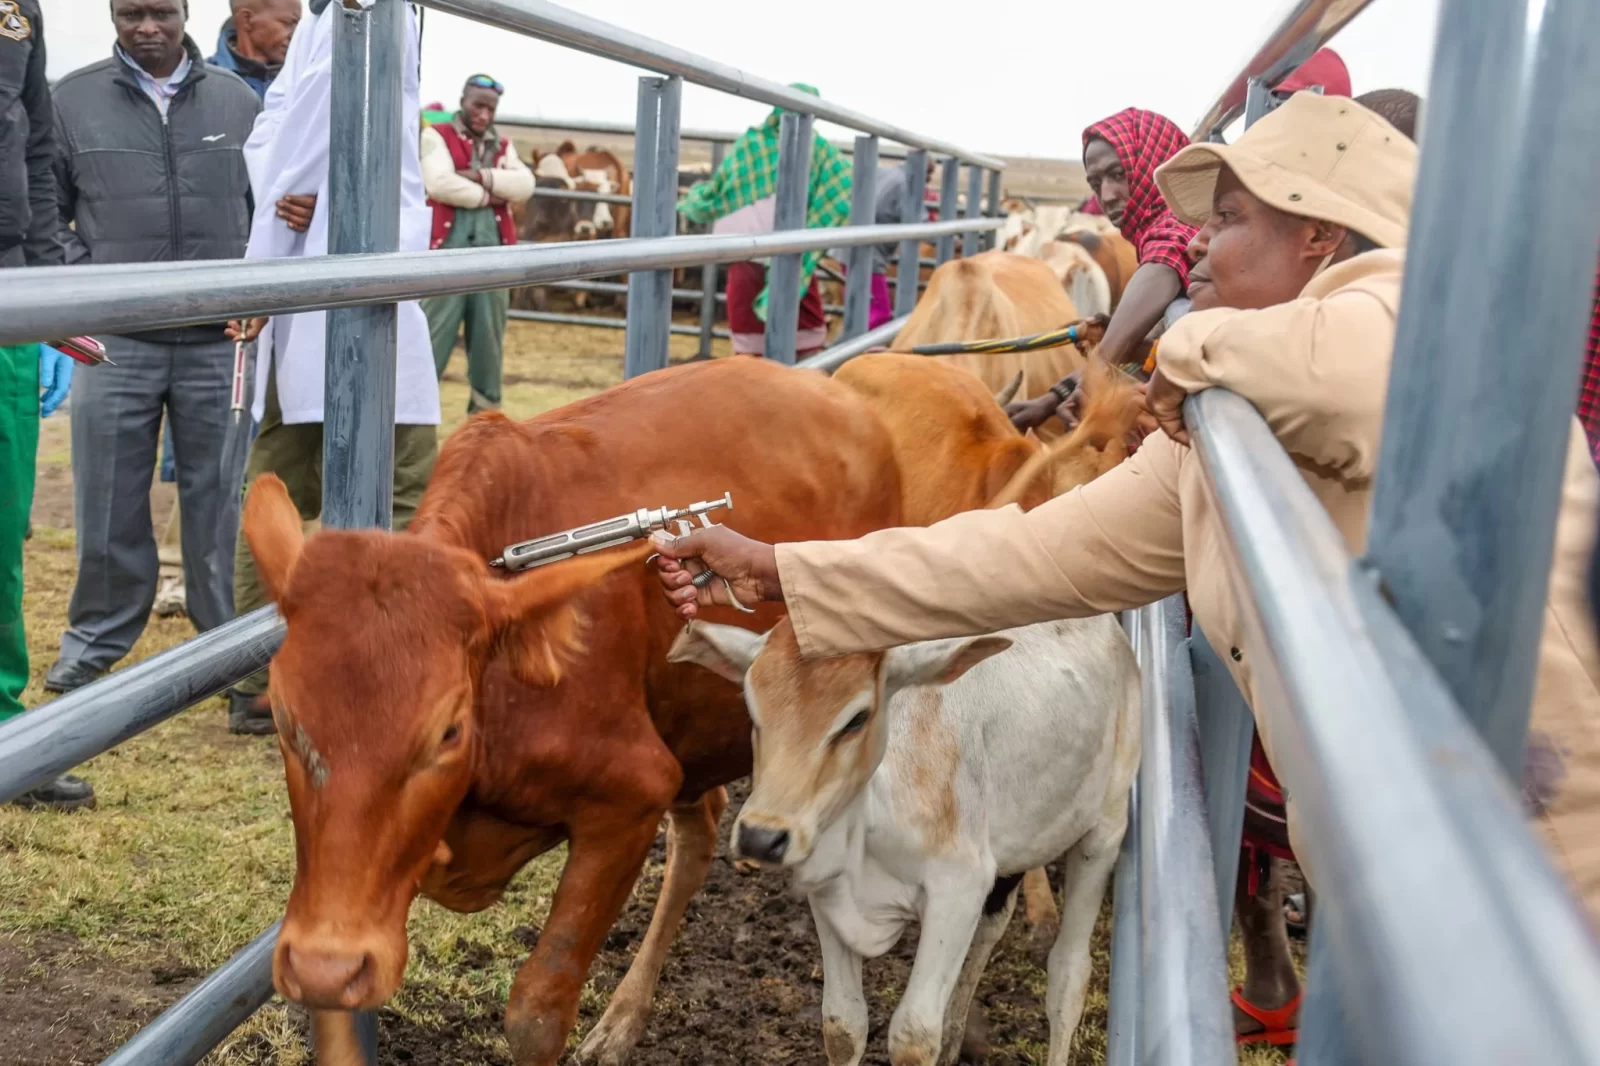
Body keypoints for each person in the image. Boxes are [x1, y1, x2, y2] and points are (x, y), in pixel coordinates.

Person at [651, 92, 1600, 944]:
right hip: (1405, 861)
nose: (1192, 246)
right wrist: (789, 569)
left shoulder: (1416, 321)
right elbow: (1025, 555)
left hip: (1547, 869)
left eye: (1228, 218)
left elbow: (1339, 360)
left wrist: (1180, 349)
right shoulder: (1221, 434)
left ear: (1319, 237)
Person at [226, 0, 439, 735]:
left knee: (282, 480)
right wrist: (321, 209)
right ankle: (356, 663)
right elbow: (317, 122)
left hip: (315, 276)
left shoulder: (335, 18)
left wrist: (289, 225)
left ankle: (255, 676)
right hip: (349, 268)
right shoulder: (361, 11)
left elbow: (279, 133)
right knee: (403, 480)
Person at [46, 0, 260, 697]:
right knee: (107, 503)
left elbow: (267, 204)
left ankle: (230, 658)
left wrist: (257, 292)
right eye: (131, 13)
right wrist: (89, 287)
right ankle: (93, 646)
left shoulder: (238, 98)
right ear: (113, 14)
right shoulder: (71, 99)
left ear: (185, 13)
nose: (147, 28)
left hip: (218, 340)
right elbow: (46, 207)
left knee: (219, 503)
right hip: (117, 343)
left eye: (160, 13)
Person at [0, 0, 98, 811]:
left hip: (4, 293)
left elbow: (33, 143)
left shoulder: (16, 12)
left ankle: (3, 729)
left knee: (2, 520)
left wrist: (42, 295)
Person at [1004, 107, 1197, 432]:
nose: (1106, 196)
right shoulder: (1155, 233)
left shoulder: (1182, 223)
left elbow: (1165, 259)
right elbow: (1139, 343)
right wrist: (1052, 398)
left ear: (1157, 162)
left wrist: (1097, 369)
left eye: (1118, 174)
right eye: (1096, 183)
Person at [678, 84, 853, 358]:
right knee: (772, 344)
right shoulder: (812, 151)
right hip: (772, 255)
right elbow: (842, 185)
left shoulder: (794, 148)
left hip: (773, 254)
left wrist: (701, 201)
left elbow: (720, 191)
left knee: (782, 342)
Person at [421, 73, 534, 415]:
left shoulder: (502, 145)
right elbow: (439, 183)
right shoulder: (435, 135)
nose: (483, 115)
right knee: (432, 336)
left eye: (490, 109)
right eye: (478, 106)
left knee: (488, 341)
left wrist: (481, 176)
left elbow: (525, 185)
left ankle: (484, 420)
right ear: (463, 101)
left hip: (494, 257)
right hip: (447, 253)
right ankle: (413, 418)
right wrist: (492, 195)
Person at [209, 0, 300, 99]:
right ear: (246, 20)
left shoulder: (303, 80)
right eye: (288, 23)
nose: (296, 35)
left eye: (299, 26)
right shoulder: (201, 81)